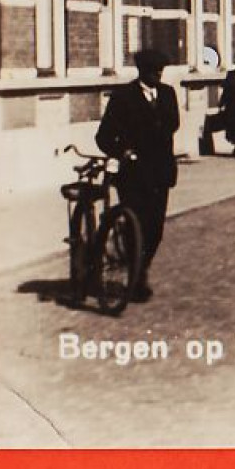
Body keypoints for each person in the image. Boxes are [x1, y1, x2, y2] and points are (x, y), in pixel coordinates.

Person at [94, 48, 180, 302]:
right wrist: (124, 150)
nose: (158, 76)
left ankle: (142, 266)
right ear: (143, 71)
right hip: (134, 174)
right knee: (137, 225)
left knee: (155, 230)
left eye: (161, 72)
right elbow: (104, 136)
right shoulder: (124, 97)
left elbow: (173, 124)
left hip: (160, 171)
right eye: (154, 71)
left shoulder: (167, 94)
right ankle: (137, 275)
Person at [202, 55, 235, 157]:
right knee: (232, 126)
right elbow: (226, 90)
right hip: (232, 105)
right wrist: (221, 104)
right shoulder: (231, 75)